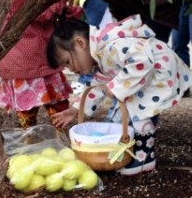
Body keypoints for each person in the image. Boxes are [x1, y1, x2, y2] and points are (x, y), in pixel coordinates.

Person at [46, 12, 192, 175]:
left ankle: (144, 157)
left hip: (160, 70)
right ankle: (132, 148)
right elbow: (98, 85)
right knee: (121, 113)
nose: (71, 69)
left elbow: (142, 62)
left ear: (80, 43)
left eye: (67, 61)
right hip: (151, 73)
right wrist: (75, 109)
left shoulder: (110, 46)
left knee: (137, 108)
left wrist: (116, 87)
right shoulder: (100, 56)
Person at [0, 0, 82, 129]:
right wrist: (59, 1)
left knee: (28, 103)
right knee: (53, 100)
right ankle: (48, 130)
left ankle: (32, 133)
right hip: (30, 56)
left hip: (25, 58)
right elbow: (43, 12)